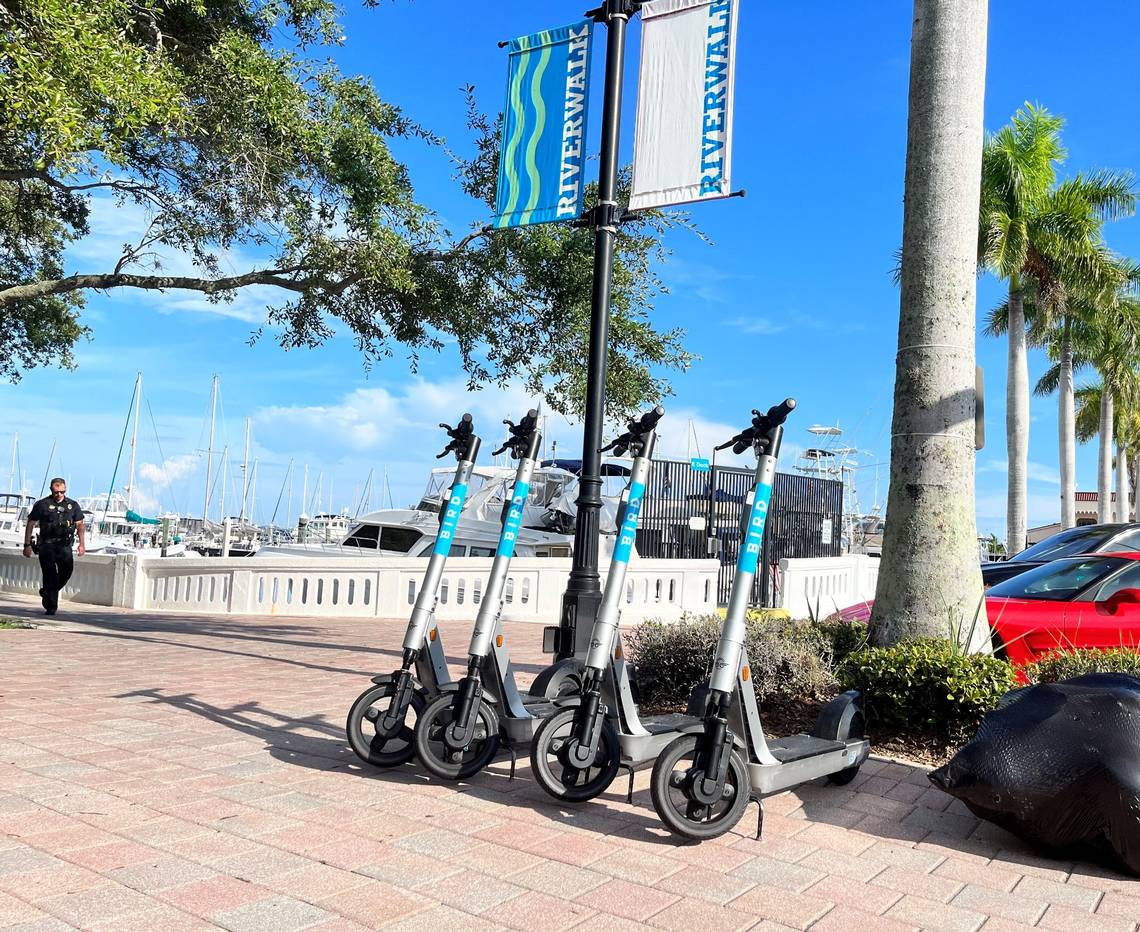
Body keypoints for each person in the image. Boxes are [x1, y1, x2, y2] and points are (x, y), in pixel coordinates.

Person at [23, 478, 86, 615]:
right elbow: (30, 523)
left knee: (66, 573)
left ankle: (47, 592)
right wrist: (27, 545)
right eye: (56, 492)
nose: (59, 495)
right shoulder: (42, 504)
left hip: (64, 545)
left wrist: (82, 544)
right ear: (51, 490)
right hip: (47, 545)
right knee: (50, 575)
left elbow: (80, 525)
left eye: (62, 492)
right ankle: (51, 606)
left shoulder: (72, 505)